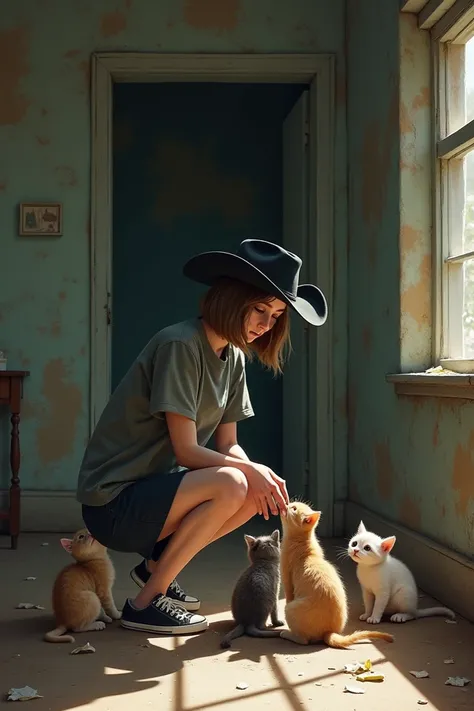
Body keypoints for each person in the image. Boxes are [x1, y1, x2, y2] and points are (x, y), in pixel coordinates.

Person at [77, 238, 327, 635]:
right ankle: (144, 604)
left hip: (154, 496)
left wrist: (256, 471)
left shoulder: (235, 357)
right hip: (113, 503)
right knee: (235, 480)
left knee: (249, 489)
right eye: (260, 309)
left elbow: (228, 445)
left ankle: (156, 566)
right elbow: (187, 451)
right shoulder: (180, 344)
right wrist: (250, 471)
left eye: (277, 315)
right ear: (230, 298)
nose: (266, 324)